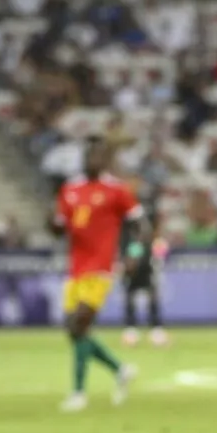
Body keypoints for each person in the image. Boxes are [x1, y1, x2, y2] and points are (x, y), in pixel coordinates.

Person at [52, 138, 140, 412]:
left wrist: (134, 252)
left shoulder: (116, 190)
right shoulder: (70, 189)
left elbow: (138, 224)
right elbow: (59, 227)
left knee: (79, 324)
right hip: (75, 269)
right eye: (90, 156)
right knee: (74, 330)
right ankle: (120, 369)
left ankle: (79, 393)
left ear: (105, 162)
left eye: (99, 157)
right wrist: (51, 221)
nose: (93, 161)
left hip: (101, 268)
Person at [120, 222, 168, 347]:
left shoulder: (156, 244)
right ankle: (131, 331)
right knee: (130, 301)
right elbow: (130, 263)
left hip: (149, 276)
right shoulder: (136, 246)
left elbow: (161, 258)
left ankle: (156, 331)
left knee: (153, 301)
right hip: (135, 277)